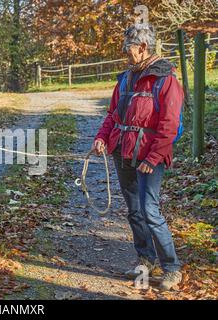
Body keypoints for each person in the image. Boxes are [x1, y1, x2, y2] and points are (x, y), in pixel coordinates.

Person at [92, 23, 183, 290]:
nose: (124, 54)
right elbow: (112, 115)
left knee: (150, 211)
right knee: (134, 211)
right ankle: (146, 260)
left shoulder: (166, 81)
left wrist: (153, 158)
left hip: (149, 159)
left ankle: (172, 268)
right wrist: (101, 138)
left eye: (127, 49)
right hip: (122, 152)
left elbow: (169, 125)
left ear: (142, 48)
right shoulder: (124, 79)